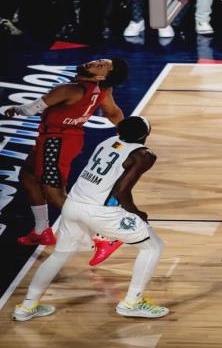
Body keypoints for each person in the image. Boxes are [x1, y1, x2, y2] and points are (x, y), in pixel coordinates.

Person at [12, 116, 168, 321]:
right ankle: (132, 303)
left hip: (72, 205)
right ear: (146, 134)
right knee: (153, 247)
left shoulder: (107, 142)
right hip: (99, 212)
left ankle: (27, 307)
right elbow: (122, 191)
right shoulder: (144, 155)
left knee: (59, 256)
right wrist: (137, 213)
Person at [4, 58, 129, 266]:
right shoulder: (103, 90)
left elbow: (30, 110)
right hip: (65, 139)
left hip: (55, 141)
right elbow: (113, 112)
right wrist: (127, 133)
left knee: (55, 194)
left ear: (100, 77)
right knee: (28, 175)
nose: (94, 63)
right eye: (99, 61)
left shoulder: (68, 89)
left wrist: (14, 109)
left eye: (100, 66)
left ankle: (104, 237)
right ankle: (41, 230)